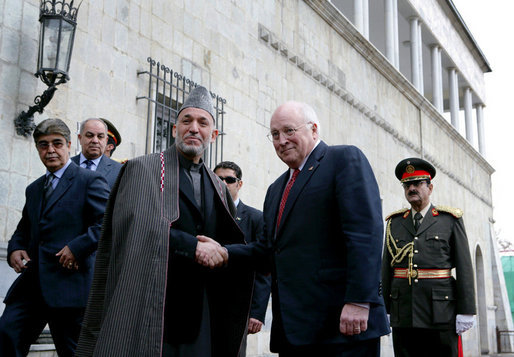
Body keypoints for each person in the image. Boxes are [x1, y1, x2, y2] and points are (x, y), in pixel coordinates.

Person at [75, 86, 253, 357]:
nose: (193, 128)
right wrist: (191, 246)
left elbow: (228, 243)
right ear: (174, 129)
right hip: (150, 306)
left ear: (213, 135)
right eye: (186, 121)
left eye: (202, 122)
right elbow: (134, 231)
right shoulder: (141, 169)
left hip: (200, 316)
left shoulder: (218, 186)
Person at [228, 101, 389, 356]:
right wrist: (224, 253)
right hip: (295, 332)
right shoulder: (275, 189)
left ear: (314, 130)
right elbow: (269, 251)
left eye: (289, 130)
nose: (282, 140)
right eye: (275, 134)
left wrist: (360, 300)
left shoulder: (343, 159)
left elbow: (365, 234)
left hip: (343, 328)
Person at [0, 119, 109, 357]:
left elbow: (106, 224)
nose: (50, 150)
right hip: (31, 287)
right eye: (43, 145)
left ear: (70, 145)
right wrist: (15, 249)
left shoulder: (89, 181)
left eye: (57, 143)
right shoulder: (34, 188)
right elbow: (24, 228)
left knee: (73, 353)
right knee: (6, 336)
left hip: (69, 287)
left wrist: (77, 247)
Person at [381, 157, 476, 357]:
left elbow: (465, 267)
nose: (411, 189)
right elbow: (386, 269)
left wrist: (466, 310)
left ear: (430, 187)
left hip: (440, 312)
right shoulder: (395, 222)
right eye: (407, 185)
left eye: (417, 183)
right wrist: (384, 308)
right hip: (403, 312)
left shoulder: (449, 220)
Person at [214, 161, 271, 357]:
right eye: (218, 179)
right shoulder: (205, 213)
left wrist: (257, 311)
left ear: (239, 184)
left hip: (238, 306)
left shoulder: (255, 218)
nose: (223, 183)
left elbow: (264, 267)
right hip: (206, 303)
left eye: (229, 179)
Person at [71, 118, 122, 188]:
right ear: (80, 138)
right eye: (90, 135)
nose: (95, 140)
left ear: (106, 140)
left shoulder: (119, 170)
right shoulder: (65, 165)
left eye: (100, 136)